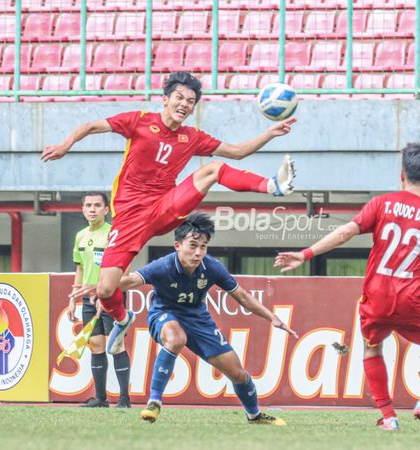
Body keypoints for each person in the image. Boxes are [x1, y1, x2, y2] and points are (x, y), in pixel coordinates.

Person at [44, 71, 297, 358]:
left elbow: (237, 152)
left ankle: (273, 186)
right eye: (179, 97)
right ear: (165, 100)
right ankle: (122, 319)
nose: (184, 104)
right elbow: (90, 126)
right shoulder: (139, 120)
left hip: (165, 206)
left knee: (211, 170)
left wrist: (269, 134)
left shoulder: (192, 137)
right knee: (105, 289)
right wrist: (66, 145)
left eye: (190, 101)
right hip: (129, 217)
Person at [274, 143, 420, 432]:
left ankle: (388, 417)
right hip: (414, 301)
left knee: (372, 349)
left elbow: (346, 231)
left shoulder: (381, 203)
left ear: (401, 174)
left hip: (376, 298)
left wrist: (305, 254)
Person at [80, 213, 297, 425]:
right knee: (175, 339)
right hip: (163, 313)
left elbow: (242, 296)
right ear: (177, 246)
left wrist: (272, 317)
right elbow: (128, 282)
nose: (198, 252)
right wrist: (101, 288)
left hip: (198, 319)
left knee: (238, 373)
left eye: (203, 246)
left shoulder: (211, 267)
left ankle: (255, 416)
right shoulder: (163, 266)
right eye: (193, 245)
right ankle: (154, 402)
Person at [67, 192, 131, 408]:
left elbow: (124, 267)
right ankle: (101, 399)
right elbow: (80, 267)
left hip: (111, 296)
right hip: (87, 299)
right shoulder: (80, 236)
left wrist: (107, 292)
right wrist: (72, 299)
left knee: (116, 345)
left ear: (106, 210)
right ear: (83, 209)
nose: (92, 209)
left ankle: (124, 399)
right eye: (88, 205)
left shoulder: (114, 233)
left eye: (97, 205)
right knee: (96, 345)